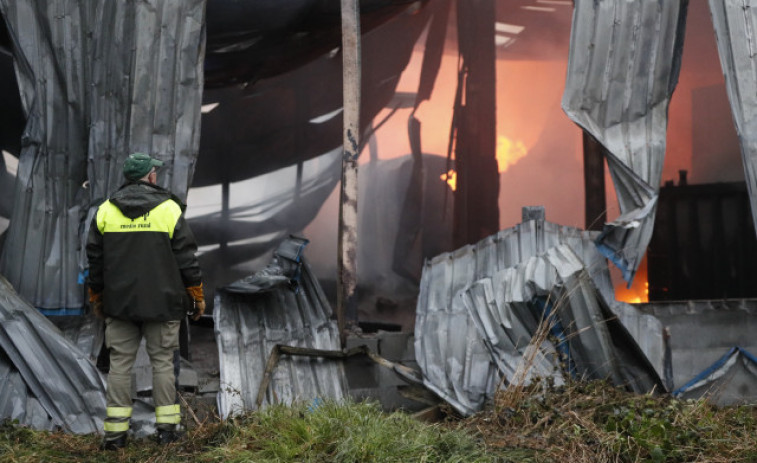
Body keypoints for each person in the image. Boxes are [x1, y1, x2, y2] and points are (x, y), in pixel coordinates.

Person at [86, 152, 205, 450]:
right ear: (151, 177)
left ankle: (114, 436)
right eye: (156, 173)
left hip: (120, 304)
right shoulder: (168, 209)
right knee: (163, 364)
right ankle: (167, 432)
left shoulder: (105, 211)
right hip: (162, 304)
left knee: (119, 366)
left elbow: (95, 261)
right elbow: (186, 258)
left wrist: (97, 295)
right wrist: (196, 293)